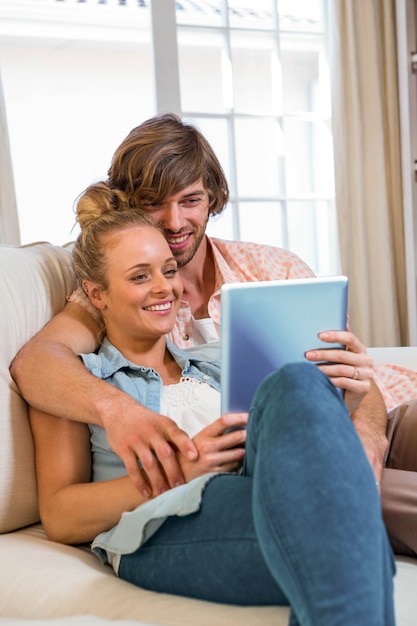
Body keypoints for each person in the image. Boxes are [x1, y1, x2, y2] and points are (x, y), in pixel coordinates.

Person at [10, 114, 417, 556]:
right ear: (126, 205)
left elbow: (359, 381)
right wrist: (118, 411)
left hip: (368, 420)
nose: (174, 221)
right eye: (153, 203)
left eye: (190, 201)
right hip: (285, 454)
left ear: (212, 199)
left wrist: (368, 440)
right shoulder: (119, 297)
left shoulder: (272, 269)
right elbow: (37, 362)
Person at [29, 190, 396, 624]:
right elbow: (60, 515)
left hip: (266, 487)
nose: (164, 287)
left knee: (296, 379)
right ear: (98, 294)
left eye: (168, 270)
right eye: (140, 277)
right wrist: (183, 469)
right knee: (346, 526)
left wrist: (344, 395)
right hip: (162, 525)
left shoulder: (219, 358)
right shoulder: (77, 384)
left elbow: (289, 432)